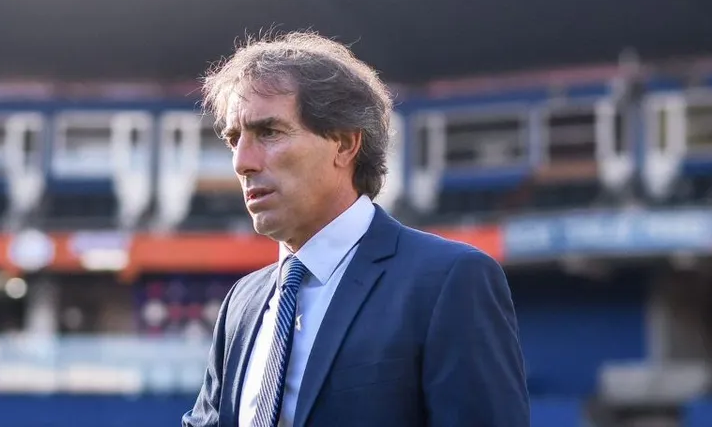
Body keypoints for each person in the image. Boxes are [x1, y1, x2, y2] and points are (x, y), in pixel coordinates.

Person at [181, 32, 529, 427]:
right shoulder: (241, 303)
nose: (242, 162)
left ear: (345, 144)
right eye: (233, 139)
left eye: (269, 132)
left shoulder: (449, 281)